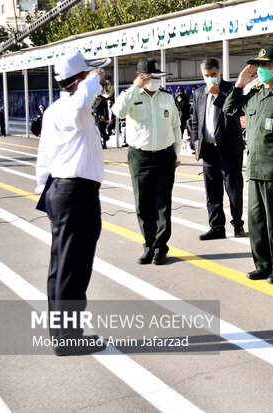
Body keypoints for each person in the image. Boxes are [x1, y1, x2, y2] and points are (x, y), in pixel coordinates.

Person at [35, 51, 109, 356]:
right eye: (93, 74)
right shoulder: (70, 108)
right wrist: (91, 83)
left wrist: (47, 192)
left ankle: (63, 333)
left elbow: (44, 160)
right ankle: (68, 337)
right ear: (79, 80)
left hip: (62, 190)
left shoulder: (57, 110)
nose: (101, 78)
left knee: (62, 266)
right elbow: (80, 104)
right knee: (72, 267)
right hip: (74, 192)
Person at [223, 46, 273, 285]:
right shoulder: (252, 94)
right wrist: (239, 84)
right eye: (259, 66)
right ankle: (262, 265)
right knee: (256, 221)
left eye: (266, 65)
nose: (262, 70)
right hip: (254, 169)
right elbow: (229, 108)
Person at [112, 57, 182, 265]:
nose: (157, 81)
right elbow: (118, 112)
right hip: (140, 157)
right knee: (143, 204)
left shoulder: (167, 97)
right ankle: (148, 246)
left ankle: (161, 248)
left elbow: (176, 126)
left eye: (159, 77)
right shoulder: (131, 96)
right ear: (142, 77)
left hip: (164, 156)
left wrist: (177, 155)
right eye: (153, 77)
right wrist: (135, 87)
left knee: (162, 204)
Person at [192, 57, 246, 240]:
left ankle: (238, 224)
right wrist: (195, 141)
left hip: (229, 149)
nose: (210, 79)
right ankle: (216, 226)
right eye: (206, 76)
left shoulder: (230, 89)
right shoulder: (199, 93)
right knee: (212, 191)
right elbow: (195, 121)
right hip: (208, 149)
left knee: (233, 189)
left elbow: (236, 111)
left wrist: (217, 95)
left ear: (219, 72)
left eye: (213, 74)